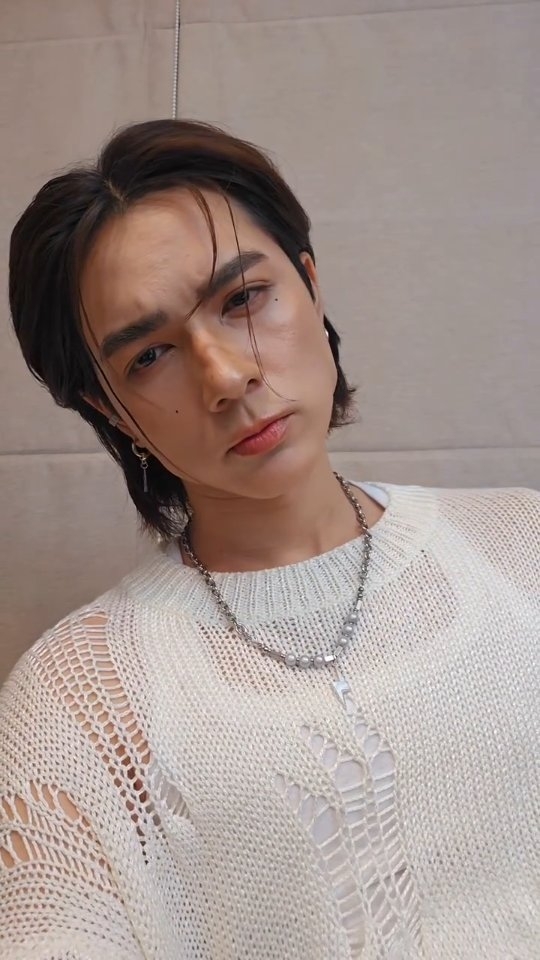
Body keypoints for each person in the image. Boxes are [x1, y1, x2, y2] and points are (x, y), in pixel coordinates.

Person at [0, 119, 538, 960]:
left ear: (311, 286)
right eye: (150, 355)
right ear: (111, 410)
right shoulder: (77, 704)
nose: (227, 375)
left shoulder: (521, 547)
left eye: (243, 299)